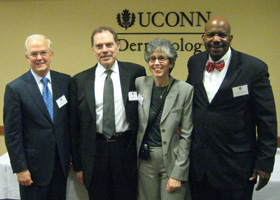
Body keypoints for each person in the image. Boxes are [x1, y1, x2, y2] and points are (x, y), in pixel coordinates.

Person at [186, 16, 278, 200]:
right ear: (203, 38)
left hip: (236, 168)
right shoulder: (195, 63)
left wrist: (265, 163)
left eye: (222, 35)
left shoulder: (254, 68)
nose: (216, 39)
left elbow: (267, 119)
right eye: (211, 35)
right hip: (199, 169)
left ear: (230, 38)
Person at [69, 26, 146, 200]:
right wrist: (79, 165)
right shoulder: (79, 81)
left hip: (125, 149)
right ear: (93, 49)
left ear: (118, 46)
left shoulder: (136, 73)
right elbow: (74, 126)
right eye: (99, 46)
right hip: (95, 152)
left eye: (109, 45)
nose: (105, 50)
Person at [3, 34, 71, 200]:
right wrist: (21, 169)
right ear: (27, 57)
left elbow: (70, 123)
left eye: (43, 53)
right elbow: (12, 134)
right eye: (34, 54)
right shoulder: (15, 88)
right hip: (32, 171)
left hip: (60, 167)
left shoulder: (65, 82)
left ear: (51, 55)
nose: (39, 58)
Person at [136, 38, 193, 200]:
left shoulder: (185, 90)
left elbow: (186, 135)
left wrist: (178, 173)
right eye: (152, 59)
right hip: (146, 161)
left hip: (172, 160)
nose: (156, 63)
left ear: (171, 63)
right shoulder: (140, 83)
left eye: (162, 58)